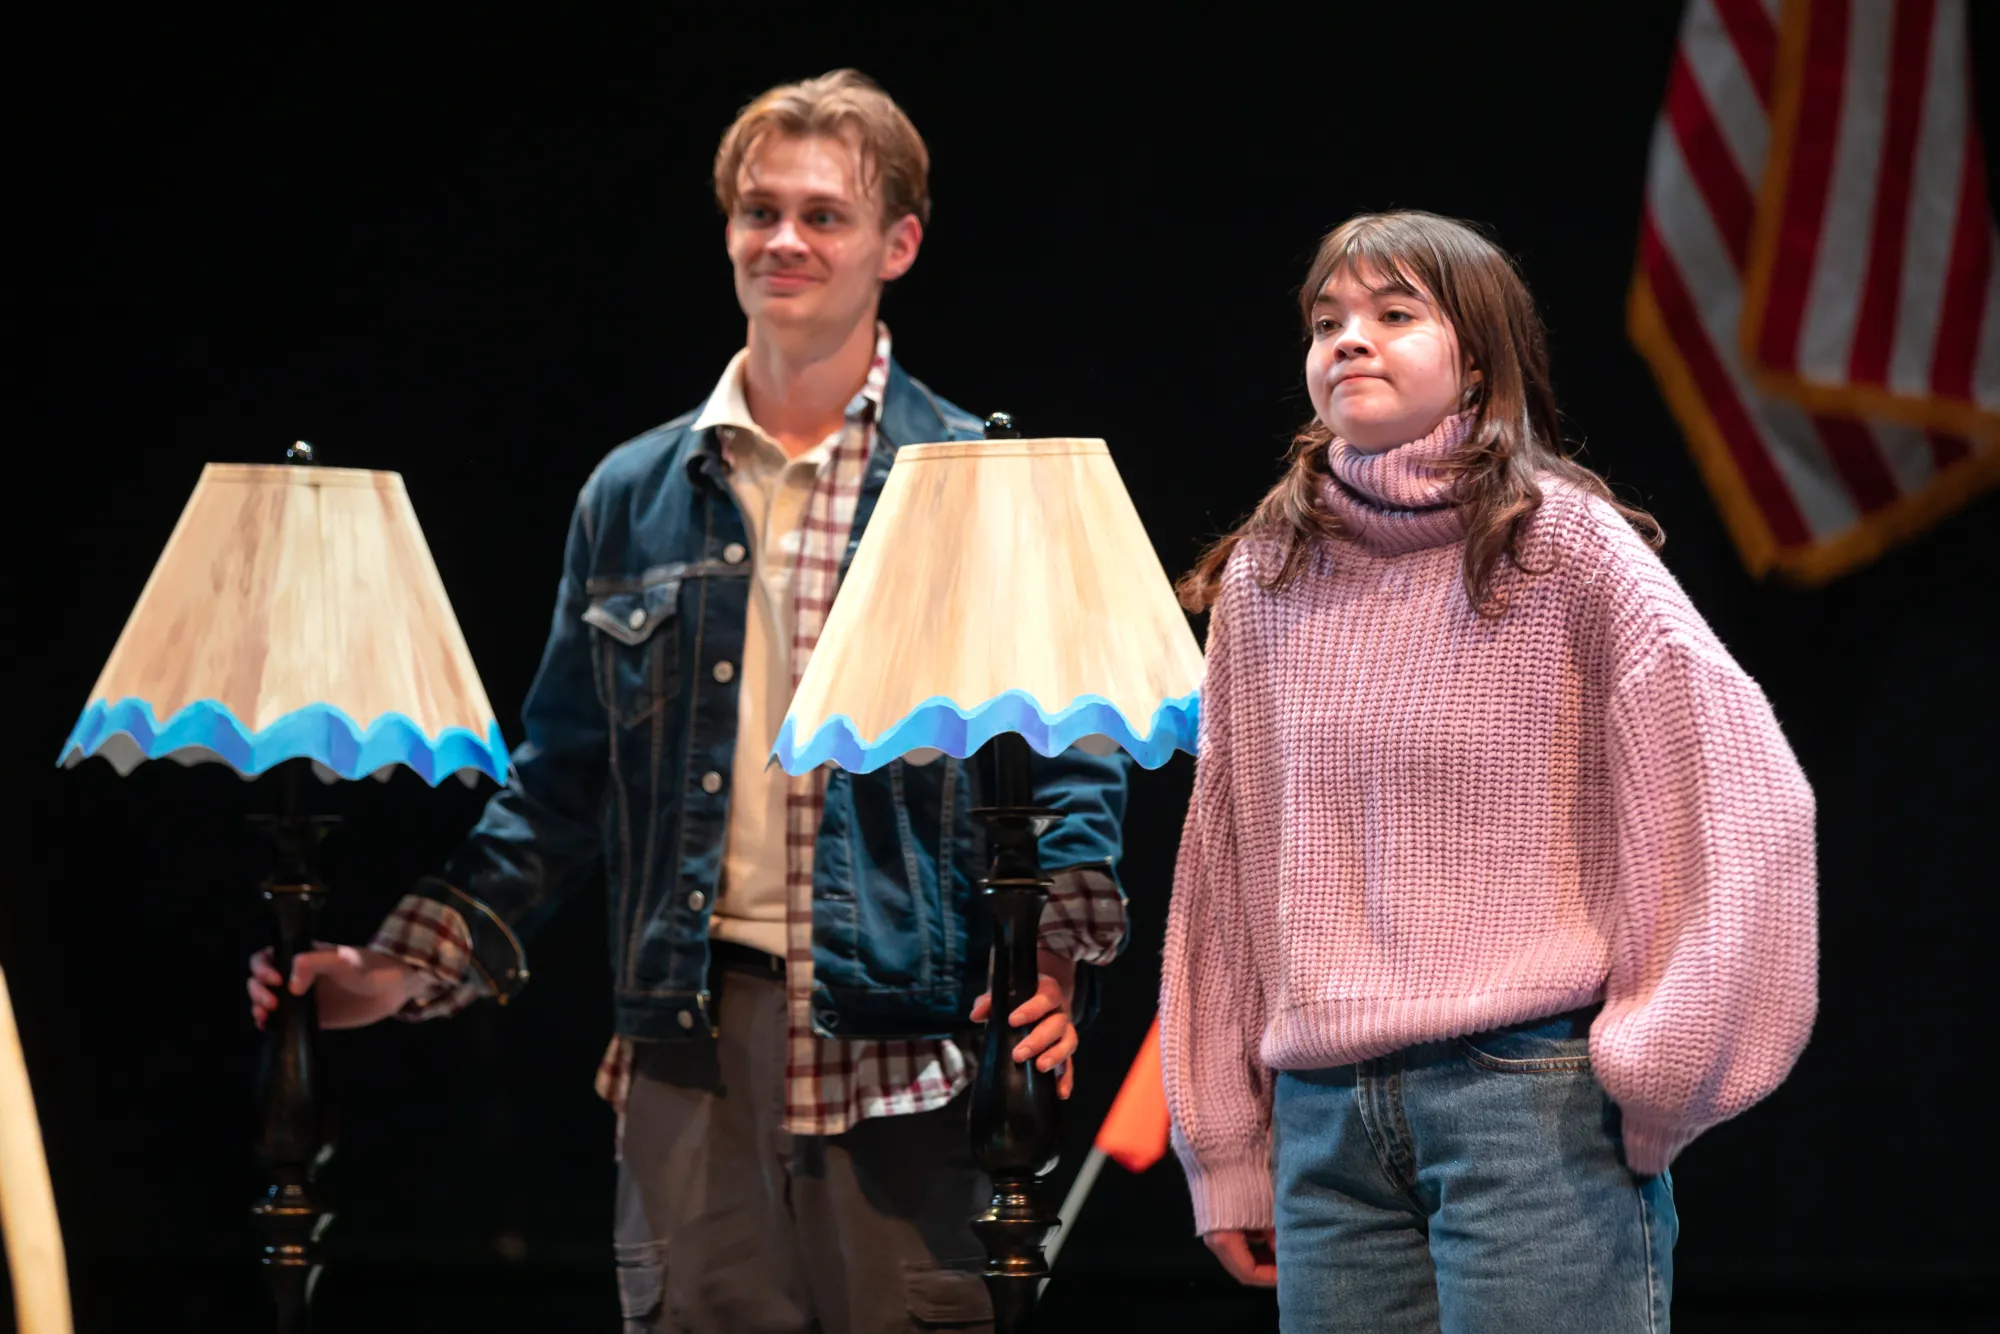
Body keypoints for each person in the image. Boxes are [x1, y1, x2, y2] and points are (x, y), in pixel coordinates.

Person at [246, 69, 1131, 1334]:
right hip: (690, 1040)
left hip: (908, 1045)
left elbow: (1074, 753)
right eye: (757, 210)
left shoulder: (969, 484)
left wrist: (1055, 951)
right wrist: (395, 966)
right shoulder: (635, 491)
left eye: (822, 215)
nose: (782, 239)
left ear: (898, 243)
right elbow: (558, 779)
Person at [1159, 210, 1817, 1333]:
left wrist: (1659, 1066)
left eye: (1392, 313)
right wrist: (1224, 1136)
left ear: (1475, 356)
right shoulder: (1271, 571)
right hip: (1325, 1124)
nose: (1348, 340)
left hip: (1529, 1106)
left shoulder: (1562, 546)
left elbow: (1739, 792)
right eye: (1327, 322)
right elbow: (1226, 862)